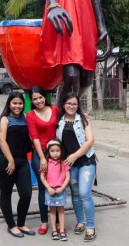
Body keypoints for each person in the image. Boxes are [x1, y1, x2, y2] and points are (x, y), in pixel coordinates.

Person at [56, 93, 97, 242]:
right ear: (63, 105)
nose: (71, 106)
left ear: (78, 105)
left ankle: (91, 226)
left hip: (86, 161)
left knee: (84, 193)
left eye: (74, 104)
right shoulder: (59, 121)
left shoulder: (83, 119)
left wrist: (75, 155)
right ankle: (80, 221)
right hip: (70, 164)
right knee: (75, 193)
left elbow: (90, 140)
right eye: (69, 103)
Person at [0, 91, 34, 238]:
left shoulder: (25, 118)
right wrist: (10, 160)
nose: (17, 106)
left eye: (20, 103)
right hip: (5, 161)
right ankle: (11, 225)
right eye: (14, 103)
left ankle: (21, 222)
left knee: (26, 193)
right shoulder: (4, 119)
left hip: (22, 160)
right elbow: (2, 141)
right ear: (9, 104)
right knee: (6, 193)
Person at [26, 86, 60, 234]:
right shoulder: (30, 115)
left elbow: (67, 120)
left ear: (44, 97)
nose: (38, 101)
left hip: (56, 153)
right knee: (43, 188)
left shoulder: (55, 109)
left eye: (40, 97)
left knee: (57, 186)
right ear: (31, 101)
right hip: (40, 153)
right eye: (35, 99)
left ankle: (58, 221)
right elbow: (35, 137)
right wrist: (42, 158)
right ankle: (44, 221)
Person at [40, 138, 70, 241]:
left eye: (57, 151)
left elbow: (68, 177)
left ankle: (61, 230)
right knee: (52, 211)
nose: (55, 153)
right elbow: (42, 177)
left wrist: (62, 188)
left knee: (61, 211)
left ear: (61, 151)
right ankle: (53, 230)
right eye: (52, 151)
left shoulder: (64, 163)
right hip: (50, 191)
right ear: (48, 151)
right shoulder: (46, 163)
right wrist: (48, 187)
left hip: (60, 190)